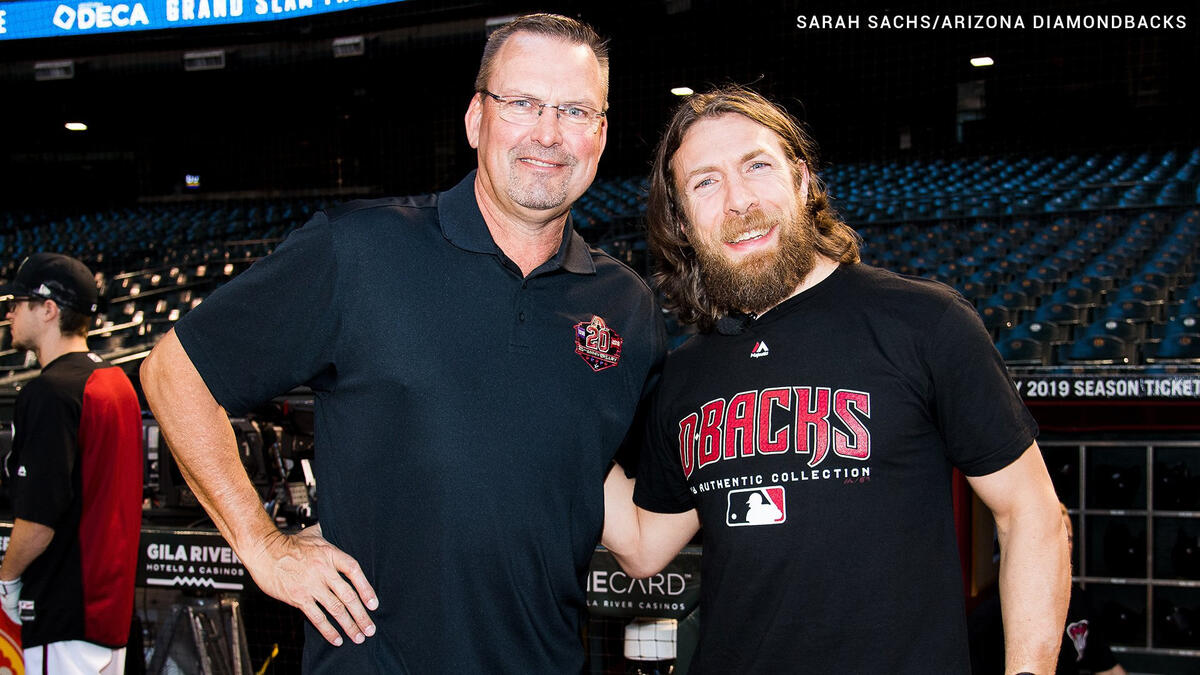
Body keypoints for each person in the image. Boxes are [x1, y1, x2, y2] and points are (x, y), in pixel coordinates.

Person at [139, 13, 665, 673]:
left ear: (602, 134)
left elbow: (602, 479)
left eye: (575, 110)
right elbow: (174, 372)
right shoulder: (357, 250)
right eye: (522, 103)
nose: (549, 133)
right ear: (476, 119)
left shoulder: (628, 307)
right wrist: (262, 544)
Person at [602, 86, 1069, 673]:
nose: (738, 201)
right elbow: (644, 546)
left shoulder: (923, 322)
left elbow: (1031, 514)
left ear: (801, 179)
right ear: (684, 221)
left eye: (757, 166)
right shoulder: (688, 371)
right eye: (705, 182)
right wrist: (557, 410)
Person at [0, 253, 143, 674]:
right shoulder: (117, 381)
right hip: (108, 615)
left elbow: (39, 522)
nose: (9, 312)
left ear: (48, 309)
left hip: (62, 611)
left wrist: (6, 579)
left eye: (19, 302)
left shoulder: (49, 393)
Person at [969, 503, 1128, 675]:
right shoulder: (990, 618)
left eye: (1069, 537)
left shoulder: (1078, 601)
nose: (1066, 545)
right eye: (1057, 535)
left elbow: (1108, 668)